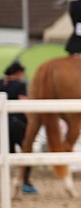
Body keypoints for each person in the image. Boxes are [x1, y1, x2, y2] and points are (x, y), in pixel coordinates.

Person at [2, 62, 37, 194]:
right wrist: (31, 120)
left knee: (7, 154)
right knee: (27, 150)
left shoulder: (1, 82)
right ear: (18, 72)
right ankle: (25, 183)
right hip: (17, 123)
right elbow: (23, 103)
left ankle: (6, 182)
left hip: (2, 123)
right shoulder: (20, 85)